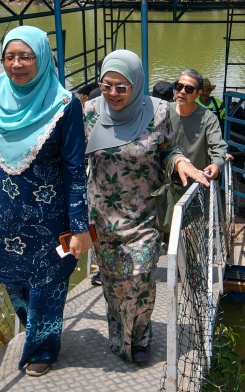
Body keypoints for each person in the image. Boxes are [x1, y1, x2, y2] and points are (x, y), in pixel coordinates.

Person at [0, 26, 91, 378]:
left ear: (43, 58)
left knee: (47, 283)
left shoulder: (65, 105)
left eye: (25, 56)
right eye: (9, 57)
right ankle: (36, 326)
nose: (16, 65)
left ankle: (43, 347)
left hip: (50, 216)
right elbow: (2, 135)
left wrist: (80, 228)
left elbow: (76, 169)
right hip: (8, 211)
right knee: (14, 281)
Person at [84, 50, 209, 364]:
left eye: (122, 87)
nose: (113, 94)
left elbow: (170, 148)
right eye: (107, 85)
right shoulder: (88, 113)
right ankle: (119, 337)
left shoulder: (159, 112)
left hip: (143, 216)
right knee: (114, 284)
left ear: (137, 84)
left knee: (140, 279)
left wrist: (180, 161)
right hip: (103, 219)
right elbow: (69, 159)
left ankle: (140, 339)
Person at [169, 69, 227, 183]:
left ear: (198, 93)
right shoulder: (163, 112)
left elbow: (218, 147)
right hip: (166, 181)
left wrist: (216, 164)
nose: (182, 91)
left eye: (189, 89)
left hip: (196, 181)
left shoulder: (208, 118)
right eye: (179, 86)